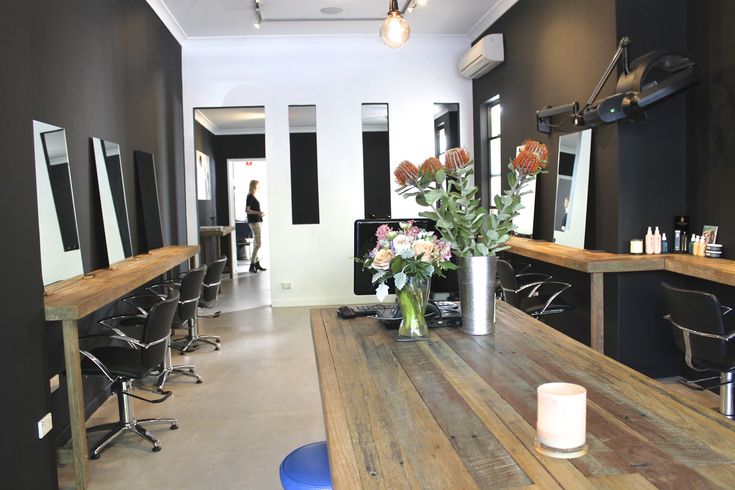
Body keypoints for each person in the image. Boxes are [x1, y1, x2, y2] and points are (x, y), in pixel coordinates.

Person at [246, 180, 266, 273]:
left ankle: (257, 264)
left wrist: (260, 214)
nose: (259, 187)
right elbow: (247, 210)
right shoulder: (250, 196)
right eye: (258, 185)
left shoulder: (253, 196)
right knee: (258, 244)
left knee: (256, 243)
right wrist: (258, 212)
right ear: (254, 186)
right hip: (254, 222)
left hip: (257, 221)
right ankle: (252, 264)